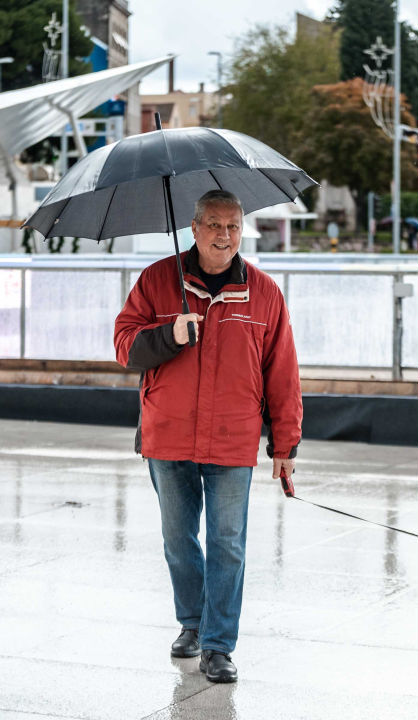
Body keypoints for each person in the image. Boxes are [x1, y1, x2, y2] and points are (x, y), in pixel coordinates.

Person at [114, 189, 302, 683]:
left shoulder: (263, 292)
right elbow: (124, 346)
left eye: (233, 226)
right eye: (214, 225)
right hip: (168, 434)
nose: (225, 235)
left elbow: (282, 373)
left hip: (231, 439)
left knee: (228, 542)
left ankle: (219, 644)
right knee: (178, 539)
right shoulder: (158, 281)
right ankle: (192, 624)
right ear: (194, 229)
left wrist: (285, 445)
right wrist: (169, 335)